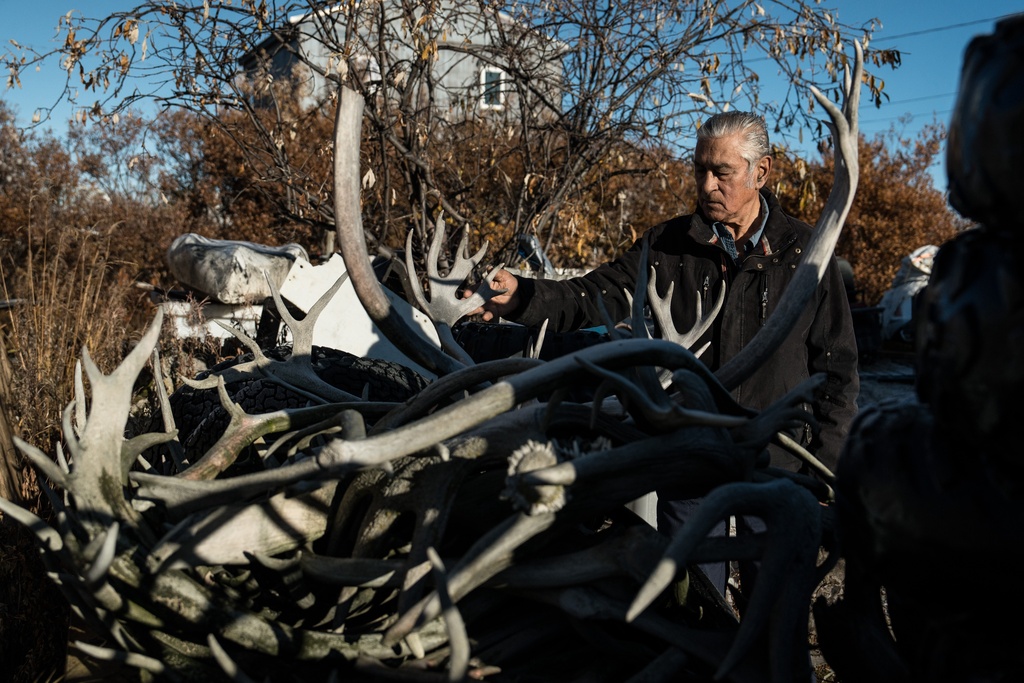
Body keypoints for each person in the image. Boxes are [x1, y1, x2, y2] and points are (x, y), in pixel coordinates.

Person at [471, 111, 860, 588]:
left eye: (723, 173)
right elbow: (596, 294)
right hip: (690, 454)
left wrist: (825, 468)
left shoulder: (807, 252)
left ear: (761, 172)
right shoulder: (668, 245)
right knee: (694, 597)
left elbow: (837, 369)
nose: (707, 185)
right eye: (700, 170)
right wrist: (525, 297)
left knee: (774, 599)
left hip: (777, 462)